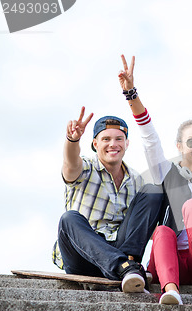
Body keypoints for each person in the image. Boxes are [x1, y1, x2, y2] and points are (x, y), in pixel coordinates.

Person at [118, 55, 192, 305]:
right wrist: (131, 94)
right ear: (179, 146)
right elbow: (150, 139)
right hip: (171, 263)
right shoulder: (167, 173)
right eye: (191, 141)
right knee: (163, 231)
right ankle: (171, 291)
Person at [53, 109, 164, 293]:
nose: (113, 144)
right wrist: (72, 140)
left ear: (127, 143)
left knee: (153, 191)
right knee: (68, 219)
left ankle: (128, 266)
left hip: (119, 248)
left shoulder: (136, 180)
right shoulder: (86, 169)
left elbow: (142, 225)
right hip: (82, 256)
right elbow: (70, 163)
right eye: (106, 139)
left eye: (119, 139)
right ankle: (125, 267)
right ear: (95, 144)